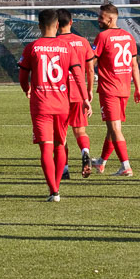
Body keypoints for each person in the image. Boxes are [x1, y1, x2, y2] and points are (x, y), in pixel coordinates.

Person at [19, 8, 91, 201]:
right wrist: (85, 98)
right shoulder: (67, 47)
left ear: (39, 26)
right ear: (57, 25)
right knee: (60, 145)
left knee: (46, 148)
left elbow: (23, 75)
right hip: (62, 104)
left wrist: (26, 88)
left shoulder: (32, 47)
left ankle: (53, 190)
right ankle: (57, 186)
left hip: (41, 104)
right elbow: (78, 75)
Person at [91, 3, 140, 176]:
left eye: (101, 17)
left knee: (115, 129)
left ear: (110, 19)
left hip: (109, 90)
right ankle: (101, 162)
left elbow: (92, 63)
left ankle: (125, 165)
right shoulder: (128, 36)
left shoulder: (103, 36)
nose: (98, 20)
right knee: (112, 128)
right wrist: (138, 88)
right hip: (124, 89)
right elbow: (134, 65)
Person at [57, 9, 96, 179]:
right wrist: (88, 90)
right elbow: (89, 68)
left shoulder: (55, 43)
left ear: (56, 24)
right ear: (71, 22)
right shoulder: (82, 42)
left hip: (59, 94)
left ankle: (64, 170)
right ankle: (85, 151)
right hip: (79, 94)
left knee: (61, 135)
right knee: (80, 131)